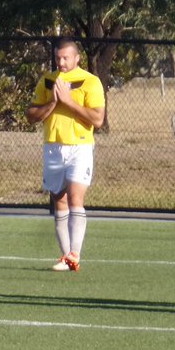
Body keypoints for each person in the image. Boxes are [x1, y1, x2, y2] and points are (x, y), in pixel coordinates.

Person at [26, 38, 105, 272]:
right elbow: (31, 114)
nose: (61, 62)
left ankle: (74, 254)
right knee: (58, 200)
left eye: (65, 57)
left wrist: (69, 101)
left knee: (75, 198)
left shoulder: (90, 82)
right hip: (53, 146)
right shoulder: (48, 81)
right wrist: (53, 102)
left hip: (80, 146)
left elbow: (98, 119)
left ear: (77, 58)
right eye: (58, 57)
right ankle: (66, 256)